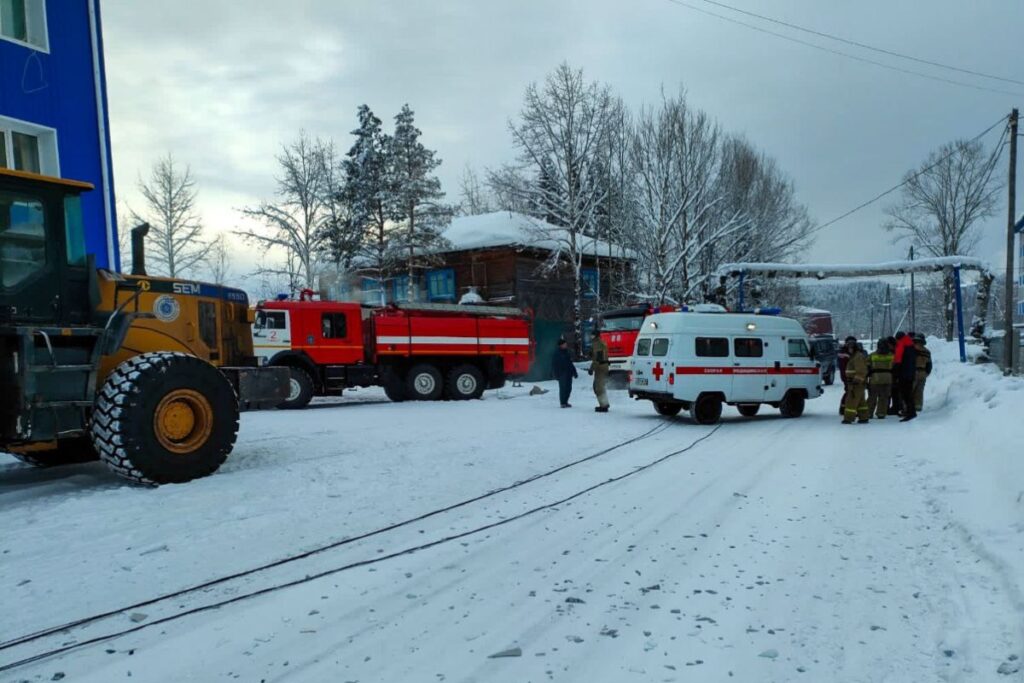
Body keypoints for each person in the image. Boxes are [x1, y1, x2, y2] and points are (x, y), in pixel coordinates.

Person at [841, 336, 870, 424]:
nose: (848, 350)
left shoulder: (858, 357)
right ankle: (864, 417)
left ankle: (848, 418)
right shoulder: (854, 356)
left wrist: (856, 380)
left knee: (851, 401)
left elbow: (861, 370)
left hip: (856, 383)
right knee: (861, 401)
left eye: (849, 348)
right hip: (856, 382)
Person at [867, 338, 894, 420]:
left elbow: (867, 367)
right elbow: (895, 367)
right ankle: (881, 413)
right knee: (884, 397)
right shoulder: (891, 355)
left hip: (875, 378)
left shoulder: (872, 355)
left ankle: (868, 413)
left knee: (872, 397)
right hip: (888, 379)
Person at [897, 334, 918, 422]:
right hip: (910, 374)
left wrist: (897, 372)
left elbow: (898, 360)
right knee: (909, 394)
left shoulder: (902, 345)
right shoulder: (911, 346)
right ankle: (911, 412)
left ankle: (910, 413)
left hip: (904, 374)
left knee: (906, 394)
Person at [551, 338, 578, 408]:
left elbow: (570, 363)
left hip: (569, 373)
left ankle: (566, 401)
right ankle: (562, 402)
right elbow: (554, 364)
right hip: (562, 373)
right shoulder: (557, 353)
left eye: (566, 344)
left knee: (569, 388)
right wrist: (556, 374)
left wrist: (574, 372)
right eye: (564, 344)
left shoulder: (566, 352)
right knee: (563, 388)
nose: (566, 345)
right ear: (561, 345)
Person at [589, 329, 610, 413]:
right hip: (603, 366)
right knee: (599, 386)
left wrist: (591, 368)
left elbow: (598, 358)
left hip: (600, 367)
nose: (591, 336)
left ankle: (603, 405)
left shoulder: (597, 344)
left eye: (592, 335)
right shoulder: (601, 342)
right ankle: (605, 403)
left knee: (598, 387)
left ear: (596, 336)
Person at [913, 334, 932, 412]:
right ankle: (918, 406)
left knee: (909, 390)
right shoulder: (927, 351)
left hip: (912, 372)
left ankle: (907, 407)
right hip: (923, 373)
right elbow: (929, 365)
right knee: (919, 391)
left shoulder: (911, 349)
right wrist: (926, 373)